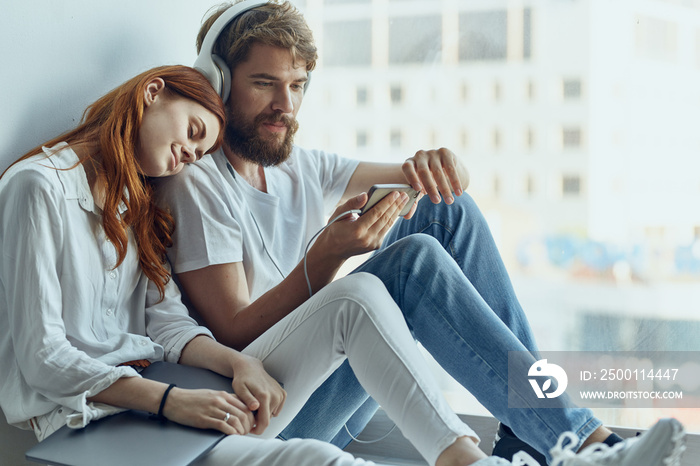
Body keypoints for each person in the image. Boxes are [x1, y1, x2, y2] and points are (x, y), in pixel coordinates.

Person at [151, 2, 687, 466]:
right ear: (217, 82)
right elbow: (234, 336)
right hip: (269, 417)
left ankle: (541, 432)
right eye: (264, 84)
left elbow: (430, 186)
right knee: (412, 265)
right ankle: (582, 442)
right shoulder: (196, 183)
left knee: (442, 210)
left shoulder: (299, 167)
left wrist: (447, 166)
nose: (285, 107)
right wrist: (326, 259)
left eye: (296, 86)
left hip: (332, 391)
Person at [0, 63, 590, 466]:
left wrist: (235, 367)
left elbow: (166, 325)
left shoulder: (139, 200)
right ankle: (567, 438)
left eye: (299, 85)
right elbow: (43, 357)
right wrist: (170, 400)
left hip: (173, 393)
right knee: (324, 458)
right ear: (153, 92)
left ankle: (503, 445)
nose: (187, 159)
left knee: (400, 257)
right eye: (193, 132)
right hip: (93, 421)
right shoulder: (38, 187)